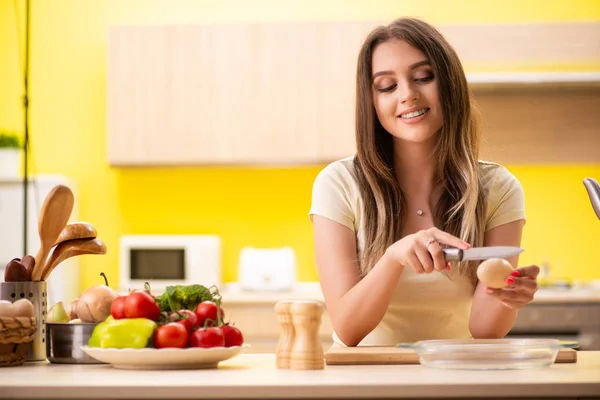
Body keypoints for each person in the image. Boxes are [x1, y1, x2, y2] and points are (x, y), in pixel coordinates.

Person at [309, 17, 540, 348]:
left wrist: (506, 296)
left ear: (449, 84)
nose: (408, 95)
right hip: (364, 378)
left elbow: (485, 330)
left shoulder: (498, 188)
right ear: (372, 103)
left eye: (423, 77)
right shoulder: (338, 184)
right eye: (387, 86)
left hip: (455, 375)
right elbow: (348, 328)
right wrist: (394, 257)